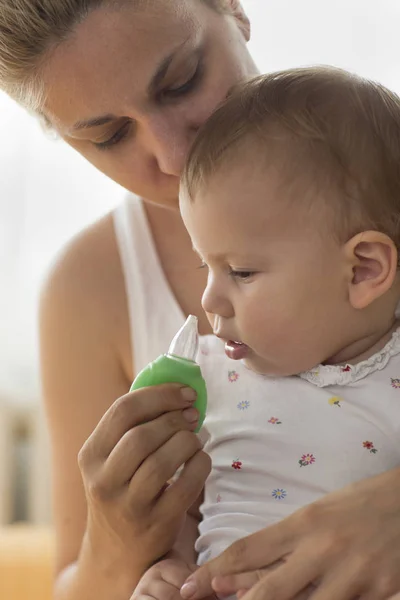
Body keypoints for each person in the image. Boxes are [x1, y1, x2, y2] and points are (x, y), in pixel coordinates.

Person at [0, 1, 399, 599]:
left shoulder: (380, 182)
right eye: (108, 135)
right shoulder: (88, 288)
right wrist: (117, 544)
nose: (172, 155)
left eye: (182, 80)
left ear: (234, 11)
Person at [173, 66, 400, 600]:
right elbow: (184, 502)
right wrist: (170, 564)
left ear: (363, 270)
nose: (209, 300)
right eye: (204, 266)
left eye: (242, 272)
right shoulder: (201, 378)